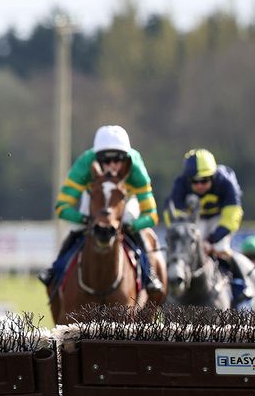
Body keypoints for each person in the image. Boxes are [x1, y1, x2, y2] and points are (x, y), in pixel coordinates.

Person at [38, 125, 163, 293]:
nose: (112, 166)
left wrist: (131, 226)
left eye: (118, 160)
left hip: (124, 201)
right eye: (106, 160)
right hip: (95, 200)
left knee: (136, 228)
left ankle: (149, 275)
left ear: (126, 159)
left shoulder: (136, 169)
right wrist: (85, 220)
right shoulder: (84, 164)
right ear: (97, 159)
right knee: (77, 231)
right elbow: (62, 207)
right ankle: (55, 270)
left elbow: (151, 215)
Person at [164, 148, 250, 303]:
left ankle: (241, 287)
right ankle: (169, 288)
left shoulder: (226, 182)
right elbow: (174, 217)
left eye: (204, 180)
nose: (199, 185)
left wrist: (211, 240)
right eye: (194, 181)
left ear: (213, 176)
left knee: (222, 250)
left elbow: (232, 217)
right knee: (181, 251)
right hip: (194, 221)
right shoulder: (180, 183)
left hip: (220, 219)